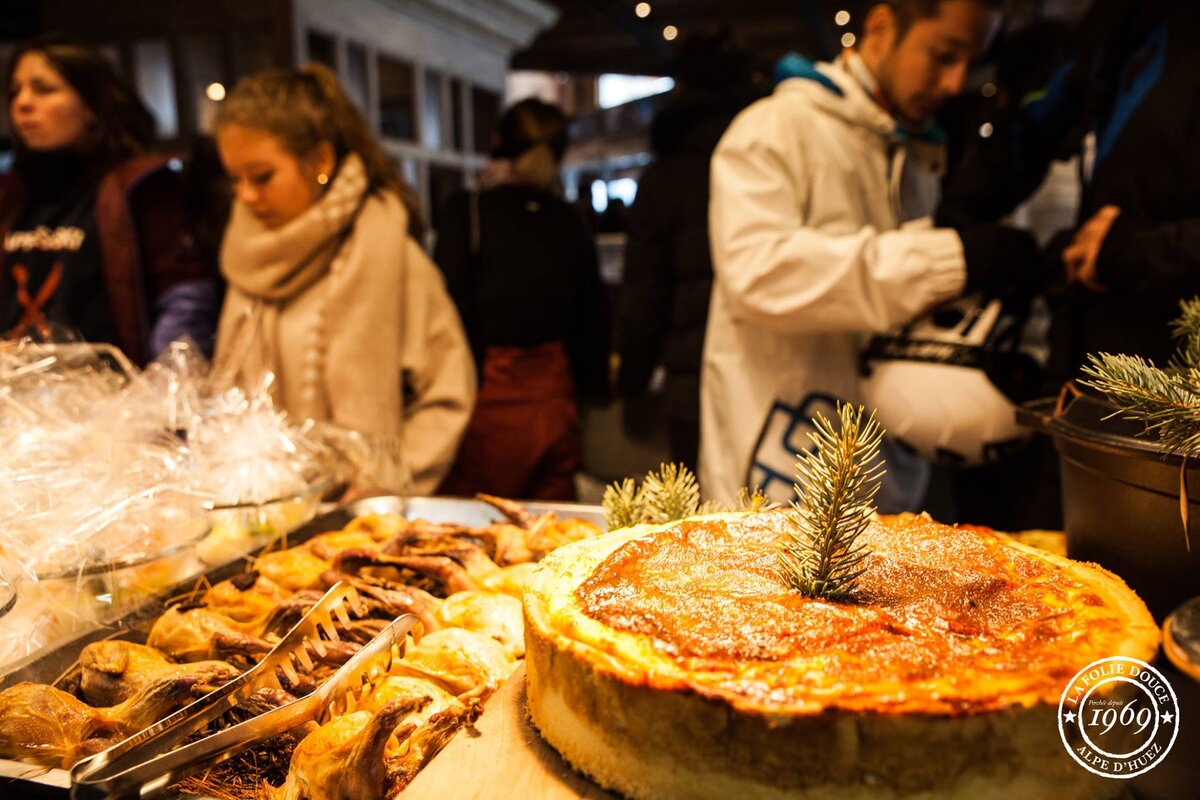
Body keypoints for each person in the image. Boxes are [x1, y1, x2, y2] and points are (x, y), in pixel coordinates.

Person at [701, 0, 1032, 506]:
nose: (954, 83)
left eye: (971, 63)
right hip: (776, 470)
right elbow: (757, 274)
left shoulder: (917, 153)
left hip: (883, 474)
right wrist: (949, 258)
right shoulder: (774, 128)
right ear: (881, 28)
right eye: (944, 55)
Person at [213, 64, 475, 495]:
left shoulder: (388, 252)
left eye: (262, 177)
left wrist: (389, 480)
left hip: (368, 527)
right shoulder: (247, 257)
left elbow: (448, 394)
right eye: (235, 179)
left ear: (320, 160)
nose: (245, 196)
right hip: (266, 516)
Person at [939, 0, 1200, 383]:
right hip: (1092, 362)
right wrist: (960, 229)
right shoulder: (1121, 23)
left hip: (1177, 387)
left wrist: (1135, 250)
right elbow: (1033, 124)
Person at [0, 34, 218, 364]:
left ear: (91, 106)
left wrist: (162, 388)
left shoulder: (138, 186)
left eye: (44, 89)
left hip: (110, 400)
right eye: (15, 91)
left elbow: (182, 300)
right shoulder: (11, 191)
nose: (22, 103)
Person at [434, 98, 609, 500]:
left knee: (483, 528)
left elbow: (444, 309)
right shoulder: (568, 218)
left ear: (497, 141)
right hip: (555, 401)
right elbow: (593, 316)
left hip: (484, 403)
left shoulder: (469, 210)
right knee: (555, 532)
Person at [618, 29, 759, 473]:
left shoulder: (665, 177)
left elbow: (645, 292)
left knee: (698, 518)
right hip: (765, 374)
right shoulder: (765, 158)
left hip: (690, 383)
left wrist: (632, 380)